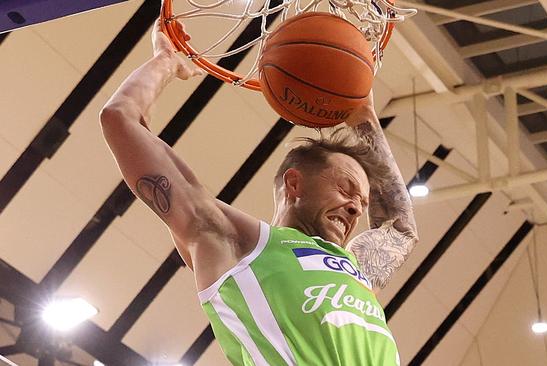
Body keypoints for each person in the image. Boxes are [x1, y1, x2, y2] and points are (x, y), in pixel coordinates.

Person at [100, 20, 419, 366]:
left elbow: (399, 230)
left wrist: (364, 116)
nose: (356, 209)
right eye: (346, 189)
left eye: (362, 202)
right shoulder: (233, 241)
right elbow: (120, 119)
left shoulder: (356, 270)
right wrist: (166, 61)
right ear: (294, 184)